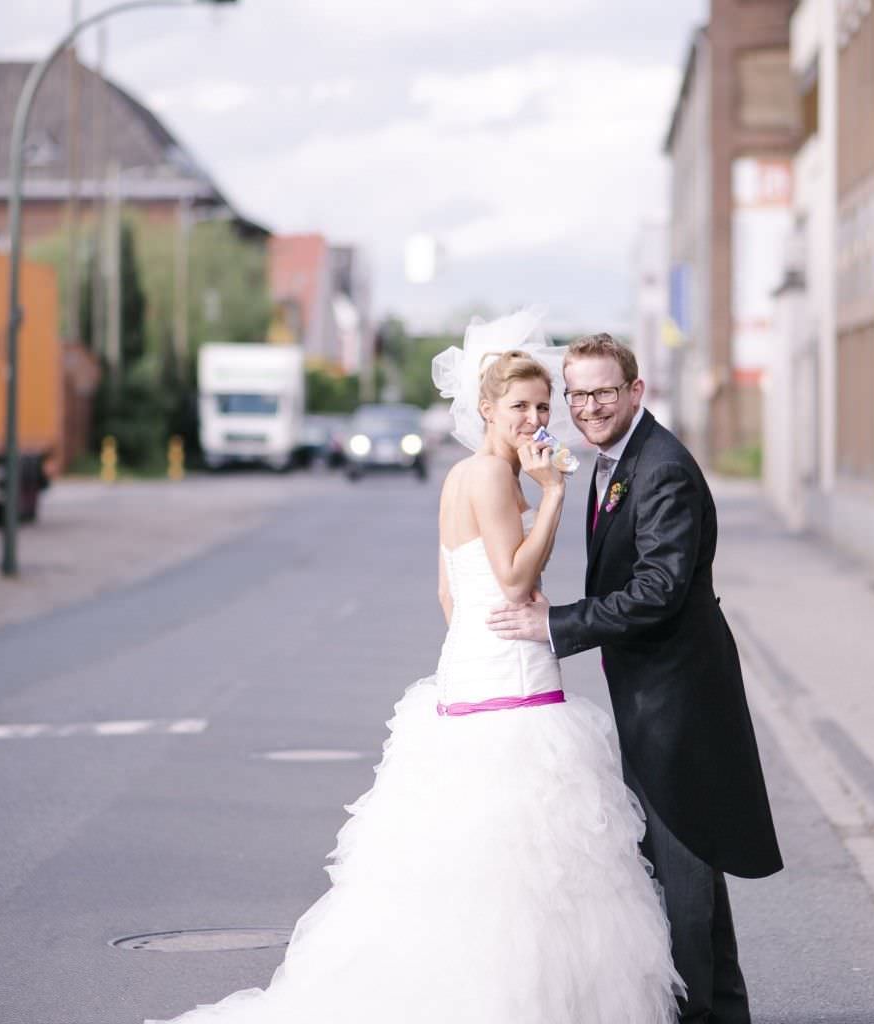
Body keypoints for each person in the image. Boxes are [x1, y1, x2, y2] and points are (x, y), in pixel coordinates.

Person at [144, 312, 681, 1024]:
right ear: (484, 408)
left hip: (475, 670)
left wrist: (493, 613)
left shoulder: (468, 475)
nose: (536, 419)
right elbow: (517, 583)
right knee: (522, 865)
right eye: (520, 406)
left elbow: (448, 594)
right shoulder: (495, 476)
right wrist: (552, 495)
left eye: (543, 407)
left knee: (493, 865)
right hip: (508, 687)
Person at [487, 333, 783, 1024]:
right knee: (690, 867)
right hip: (657, 690)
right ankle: (723, 1010)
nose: (588, 406)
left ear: (635, 392)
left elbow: (658, 588)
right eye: (578, 394)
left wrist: (558, 625)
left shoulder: (661, 468)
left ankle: (698, 1013)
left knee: (680, 871)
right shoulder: (616, 459)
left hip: (678, 698)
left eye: (603, 392)